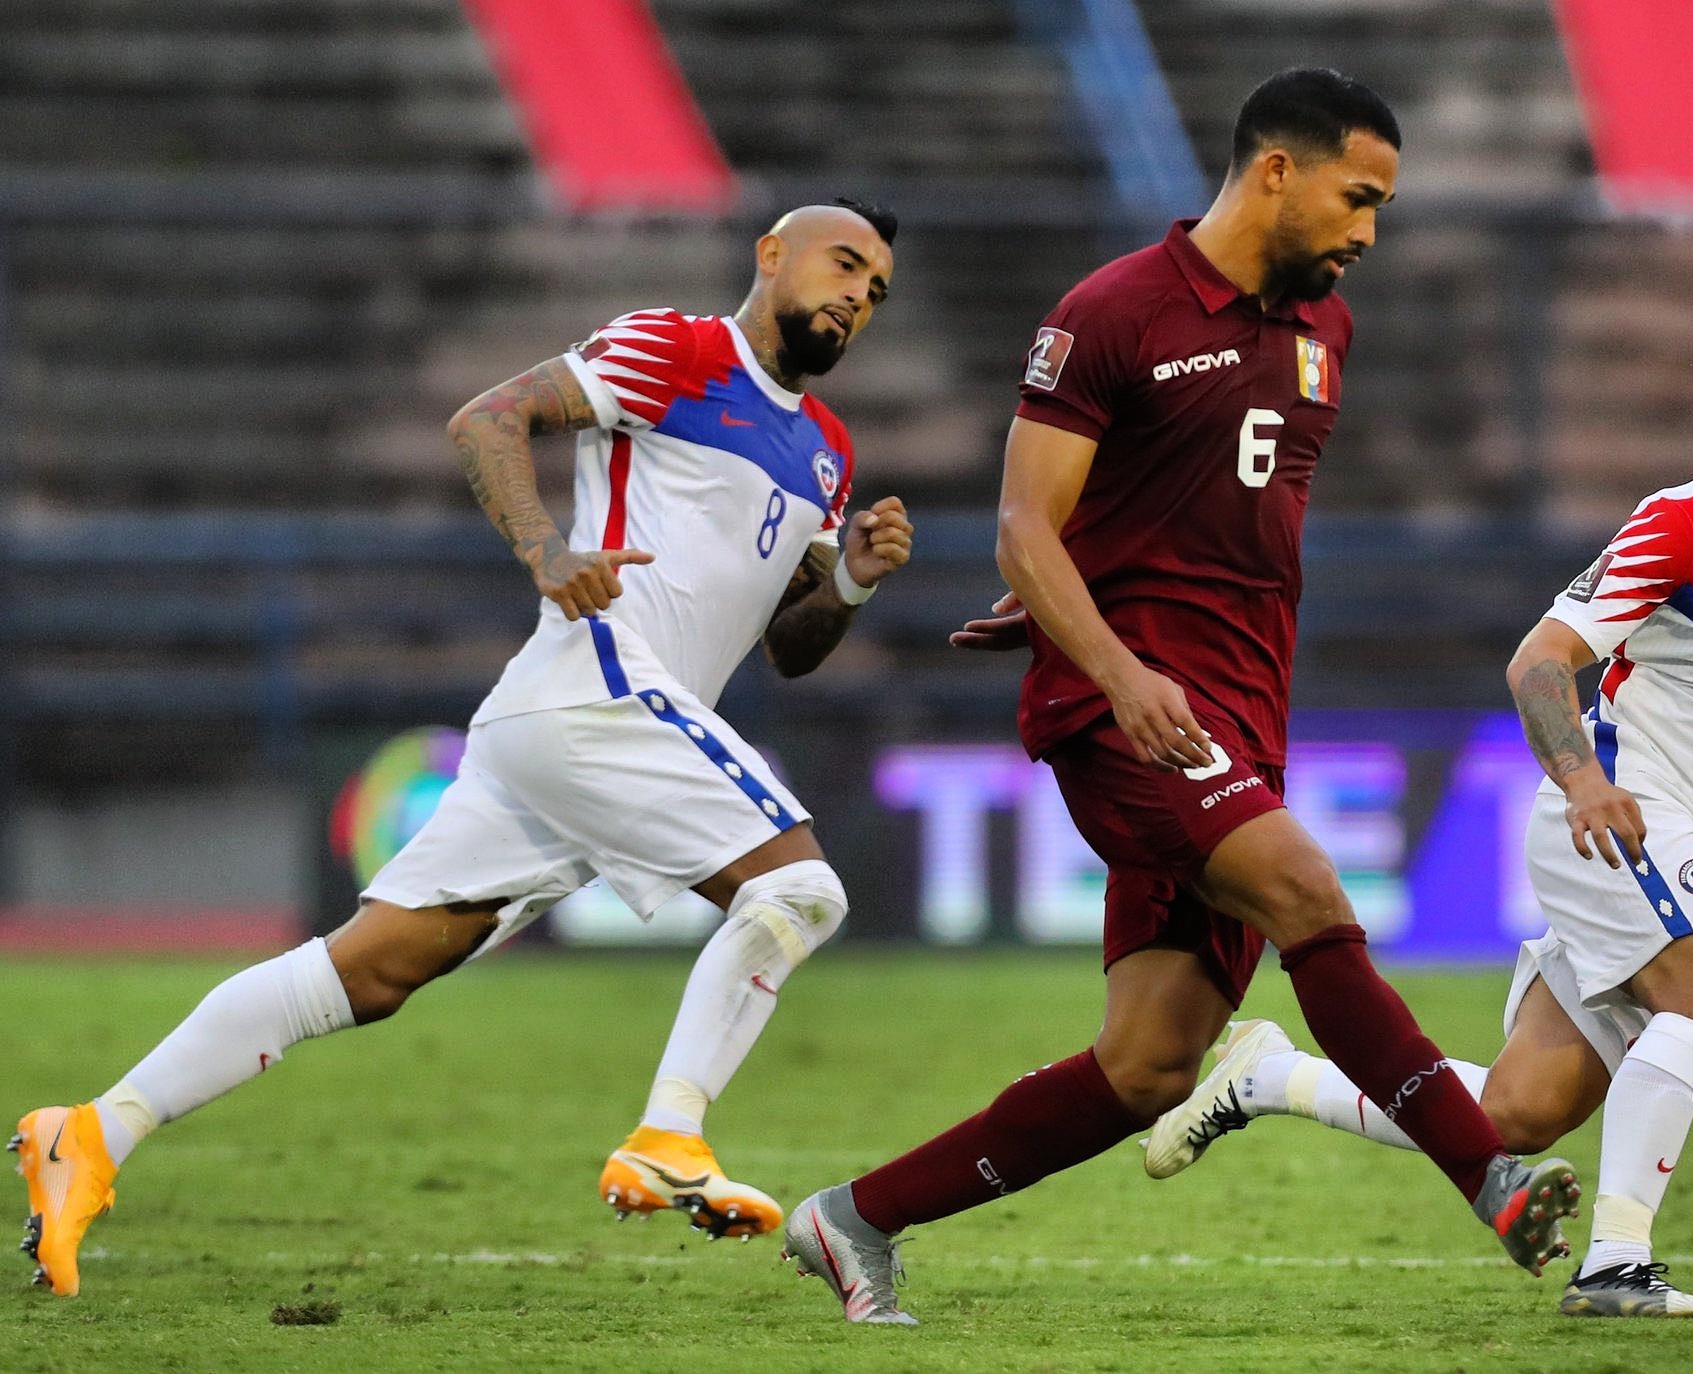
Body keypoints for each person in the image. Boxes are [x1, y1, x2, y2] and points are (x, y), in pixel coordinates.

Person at [778, 68, 1577, 1328]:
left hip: (1240, 719)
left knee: (1148, 1065)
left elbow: (1179, 515)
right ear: (1275, 171)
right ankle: (1489, 1176)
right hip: (1126, 715)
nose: (1369, 232)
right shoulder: (1111, 314)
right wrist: (1104, 659)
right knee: (1312, 893)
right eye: (1356, 198)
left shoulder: (1325, 332)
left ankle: (854, 1220)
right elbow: (1019, 527)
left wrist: (1079, 590)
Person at [10, 200, 912, 1296]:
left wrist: (854, 579)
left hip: (574, 723)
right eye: (843, 263)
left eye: (876, 288)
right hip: (598, 688)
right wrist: (545, 549)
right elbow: (488, 416)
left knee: (375, 966)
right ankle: (669, 1133)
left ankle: (93, 1133)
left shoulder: (827, 452)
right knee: (801, 891)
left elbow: (789, 647)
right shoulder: (678, 347)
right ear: (771, 256)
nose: (858, 293)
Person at [1143, 313, 1693, 1319]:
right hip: (1614, 810)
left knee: (1516, 1114)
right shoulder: (1684, 522)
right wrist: (1581, 782)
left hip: (1691, 840)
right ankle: (1614, 1265)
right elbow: (1535, 662)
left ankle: (1269, 1077)